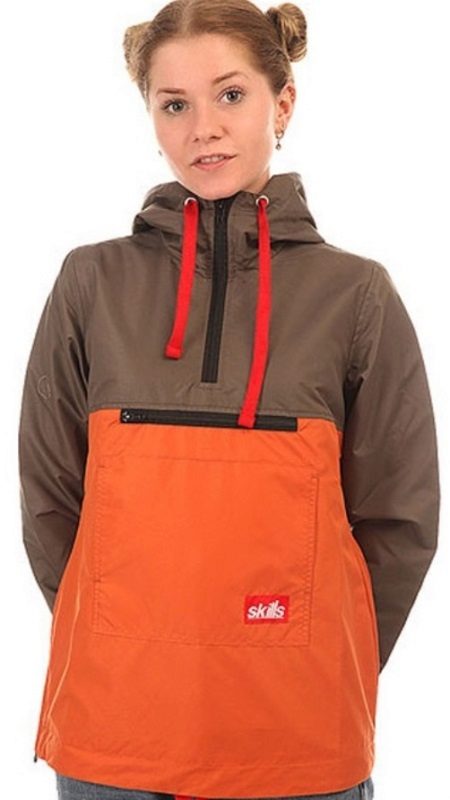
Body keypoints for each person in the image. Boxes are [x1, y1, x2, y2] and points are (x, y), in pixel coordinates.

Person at [18, 1, 440, 799]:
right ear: (150, 117)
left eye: (231, 95)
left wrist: (321, 656)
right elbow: (52, 504)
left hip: (296, 736)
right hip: (115, 734)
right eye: (174, 104)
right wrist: (118, 635)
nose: (203, 128)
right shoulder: (90, 283)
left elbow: (400, 520)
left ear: (283, 103)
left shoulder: (357, 296)